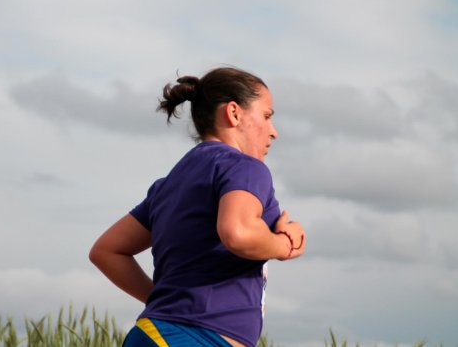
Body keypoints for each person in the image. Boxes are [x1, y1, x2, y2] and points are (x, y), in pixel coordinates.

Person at [89, 67, 306, 347]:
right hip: (197, 338)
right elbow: (237, 233)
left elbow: (106, 251)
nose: (274, 132)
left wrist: (164, 303)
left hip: (153, 333)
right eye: (266, 116)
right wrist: (283, 245)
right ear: (234, 113)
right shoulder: (244, 167)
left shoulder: (169, 184)